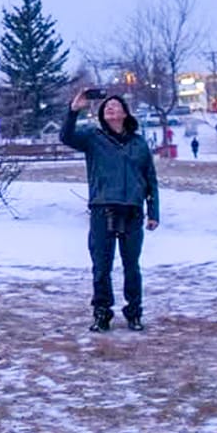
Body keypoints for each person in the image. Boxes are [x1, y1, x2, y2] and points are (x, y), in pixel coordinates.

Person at [60, 87, 160, 332]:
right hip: (103, 210)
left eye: (115, 105)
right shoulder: (93, 138)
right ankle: (102, 314)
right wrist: (74, 110)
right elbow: (66, 137)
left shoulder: (138, 143)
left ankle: (134, 314)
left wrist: (153, 211)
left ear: (125, 113)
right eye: (106, 107)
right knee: (102, 265)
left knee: (131, 266)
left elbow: (150, 178)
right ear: (103, 115)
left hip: (132, 211)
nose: (110, 108)